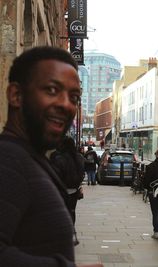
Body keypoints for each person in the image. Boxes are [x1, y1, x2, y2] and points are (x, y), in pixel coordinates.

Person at [0, 46, 102, 266]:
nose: (66, 104)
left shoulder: (29, 158)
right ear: (16, 95)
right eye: (52, 90)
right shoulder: (8, 162)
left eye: (74, 97)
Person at [50, 136, 85, 245]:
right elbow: (82, 174)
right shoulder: (79, 157)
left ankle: (64, 235)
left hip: (61, 190)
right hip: (74, 190)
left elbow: (55, 175)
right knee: (71, 211)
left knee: (61, 213)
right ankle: (71, 233)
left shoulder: (58, 158)